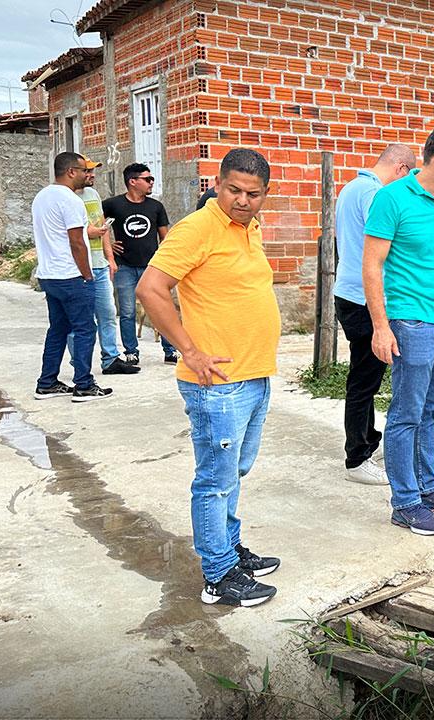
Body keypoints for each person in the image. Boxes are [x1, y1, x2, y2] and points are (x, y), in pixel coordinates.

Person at [137, 148, 282, 608]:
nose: (242, 200)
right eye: (234, 190)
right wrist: (191, 351)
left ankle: (228, 548)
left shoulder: (249, 227)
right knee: (215, 478)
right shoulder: (197, 228)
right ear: (217, 184)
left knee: (233, 472)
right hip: (217, 383)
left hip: (253, 374)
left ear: (264, 195)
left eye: (253, 194)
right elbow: (150, 289)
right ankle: (218, 575)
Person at [363, 122, 434, 536]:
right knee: (406, 414)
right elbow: (372, 265)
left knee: (433, 410)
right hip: (411, 323)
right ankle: (406, 502)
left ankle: (429, 487)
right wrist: (381, 326)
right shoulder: (391, 199)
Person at [333, 144, 416, 485]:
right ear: (400, 169)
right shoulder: (376, 194)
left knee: (365, 373)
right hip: (365, 297)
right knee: (364, 380)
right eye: (408, 177)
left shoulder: (351, 188)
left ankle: (368, 441)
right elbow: (384, 248)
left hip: (348, 293)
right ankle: (357, 458)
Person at [32, 152, 113, 402]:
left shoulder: (41, 196)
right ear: (70, 172)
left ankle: (47, 382)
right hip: (71, 275)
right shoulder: (71, 200)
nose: (86, 175)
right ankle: (84, 385)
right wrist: (86, 275)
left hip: (49, 275)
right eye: (82, 170)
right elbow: (77, 242)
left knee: (58, 329)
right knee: (86, 329)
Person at [68, 160, 138, 376]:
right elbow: (68, 232)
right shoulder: (66, 198)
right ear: (73, 173)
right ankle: (79, 363)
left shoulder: (93, 196)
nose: (91, 175)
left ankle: (110, 359)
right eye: (87, 171)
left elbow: (103, 228)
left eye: (92, 171)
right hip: (77, 268)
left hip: (99, 265)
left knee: (108, 314)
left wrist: (110, 258)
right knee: (79, 319)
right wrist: (88, 232)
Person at [104, 163, 175, 365]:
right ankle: (131, 352)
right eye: (147, 179)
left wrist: (166, 264)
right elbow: (91, 221)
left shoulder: (155, 207)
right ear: (132, 182)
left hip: (152, 267)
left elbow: (165, 238)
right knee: (127, 312)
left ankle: (170, 350)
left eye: (151, 179)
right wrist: (107, 245)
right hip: (125, 267)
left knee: (160, 308)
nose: (152, 182)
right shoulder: (113, 205)